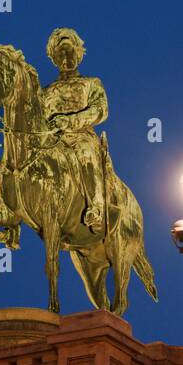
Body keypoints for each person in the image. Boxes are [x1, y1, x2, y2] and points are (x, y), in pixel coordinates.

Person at [40, 28, 112, 232]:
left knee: (85, 155)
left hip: (81, 137)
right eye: (60, 53)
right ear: (54, 58)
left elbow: (100, 110)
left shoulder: (91, 83)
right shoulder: (45, 93)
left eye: (69, 51)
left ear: (78, 53)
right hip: (52, 142)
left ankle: (96, 207)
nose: (65, 57)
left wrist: (69, 121)